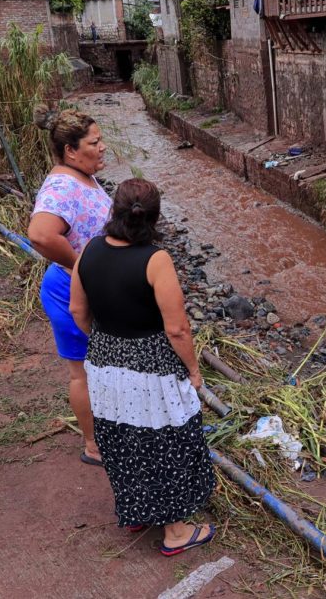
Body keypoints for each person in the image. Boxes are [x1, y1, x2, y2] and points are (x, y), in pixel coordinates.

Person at [69, 178, 217, 556]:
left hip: (103, 364)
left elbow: (77, 311)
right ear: (154, 218)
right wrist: (194, 371)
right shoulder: (156, 259)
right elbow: (177, 329)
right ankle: (176, 532)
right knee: (166, 440)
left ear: (114, 210)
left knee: (122, 437)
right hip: (152, 367)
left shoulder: (88, 250)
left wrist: (108, 341)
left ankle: (137, 512)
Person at [27, 107, 111, 466]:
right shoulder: (61, 186)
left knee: (102, 365)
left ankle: (112, 429)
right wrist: (81, 267)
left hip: (91, 288)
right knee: (82, 372)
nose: (103, 147)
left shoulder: (83, 176)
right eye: (94, 142)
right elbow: (41, 234)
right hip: (69, 291)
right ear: (70, 151)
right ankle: (94, 446)